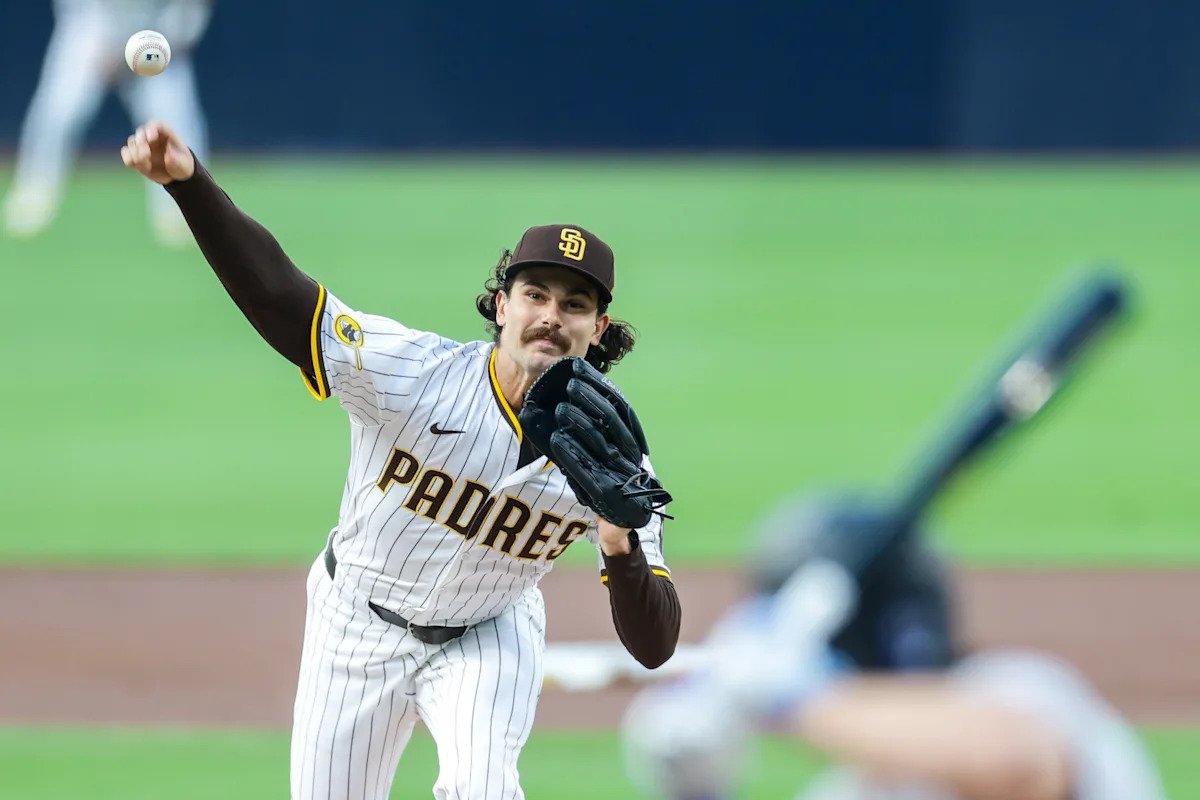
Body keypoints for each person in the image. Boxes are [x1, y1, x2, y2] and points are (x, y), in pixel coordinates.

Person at [121, 121, 681, 799]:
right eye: (535, 294)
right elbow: (284, 298)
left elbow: (655, 644)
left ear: (598, 329)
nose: (551, 316)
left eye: (575, 304)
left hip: (488, 635)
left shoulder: (617, 460)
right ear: (501, 305)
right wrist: (190, 184)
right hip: (355, 621)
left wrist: (619, 542)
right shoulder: (414, 374)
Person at [622, 494, 1165, 800]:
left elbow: (1020, 766)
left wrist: (797, 697)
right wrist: (696, 789)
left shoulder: (1018, 690)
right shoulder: (852, 788)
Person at [4, 0, 211, 245]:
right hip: (93, 25)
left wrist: (176, 34)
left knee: (172, 118)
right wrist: (98, 38)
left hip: (155, 28)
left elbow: (194, 6)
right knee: (60, 112)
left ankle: (187, 208)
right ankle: (34, 196)